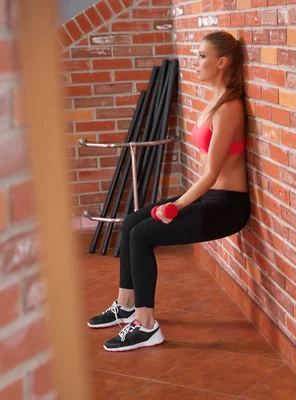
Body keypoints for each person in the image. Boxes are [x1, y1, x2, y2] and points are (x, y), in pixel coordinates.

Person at [86, 31, 250, 352]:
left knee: (143, 235)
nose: (197, 61)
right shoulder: (215, 102)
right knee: (133, 220)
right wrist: (180, 203)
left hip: (227, 206)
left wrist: (176, 207)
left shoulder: (229, 108)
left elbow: (211, 174)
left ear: (222, 62)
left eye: (202, 56)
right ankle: (126, 305)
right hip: (208, 197)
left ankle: (146, 326)